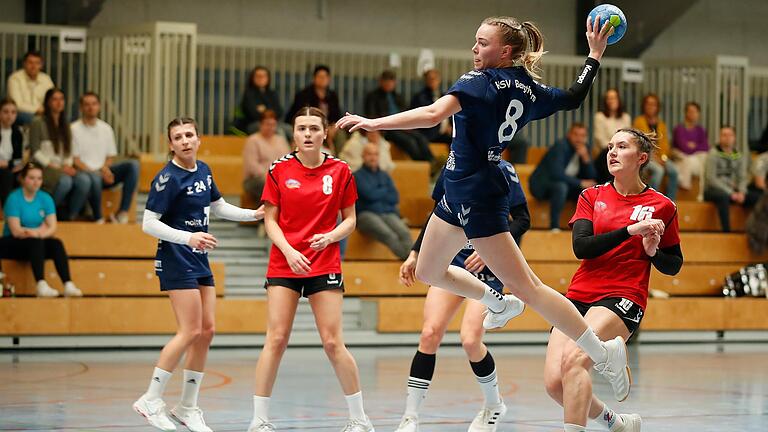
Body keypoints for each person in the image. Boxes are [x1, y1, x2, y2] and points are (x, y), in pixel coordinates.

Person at [338, 15, 633, 405]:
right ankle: (496, 302)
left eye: (482, 43)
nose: (474, 49)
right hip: (456, 192)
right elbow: (574, 96)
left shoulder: (478, 82)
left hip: (479, 197)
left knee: (530, 288)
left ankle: (602, 351)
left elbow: (431, 115)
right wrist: (593, 55)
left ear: (505, 51)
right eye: (475, 41)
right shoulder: (529, 88)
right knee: (429, 270)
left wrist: (372, 122)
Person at [544, 128, 683, 432]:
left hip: (623, 295)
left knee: (575, 361)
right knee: (555, 384)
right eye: (610, 147)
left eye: (622, 146)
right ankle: (616, 423)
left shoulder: (663, 205)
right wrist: (630, 231)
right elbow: (581, 247)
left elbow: (674, 265)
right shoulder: (592, 195)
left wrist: (653, 251)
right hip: (580, 293)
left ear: (641, 158)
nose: (612, 152)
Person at [248, 107, 374, 432]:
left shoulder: (341, 170)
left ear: (324, 133)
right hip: (285, 262)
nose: (307, 133)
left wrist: (330, 236)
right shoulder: (278, 169)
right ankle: (259, 420)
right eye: (301, 128)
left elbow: (351, 220)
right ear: (293, 133)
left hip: (324, 263)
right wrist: (289, 251)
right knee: (275, 339)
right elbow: (270, 219)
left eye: (313, 128)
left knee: (333, 342)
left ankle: (359, 420)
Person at [133, 117, 262, 432]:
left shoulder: (203, 169)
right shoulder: (167, 178)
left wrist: (253, 214)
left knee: (207, 331)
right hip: (176, 256)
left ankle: (187, 406)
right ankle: (150, 399)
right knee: (189, 331)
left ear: (198, 138)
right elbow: (149, 223)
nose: (185, 140)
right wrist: (187, 237)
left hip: (199, 257)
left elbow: (217, 207)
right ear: (171, 144)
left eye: (189, 134)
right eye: (178, 137)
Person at [394, 159, 530, 432]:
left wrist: (492, 247)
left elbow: (523, 219)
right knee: (430, 333)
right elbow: (437, 213)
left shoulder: (503, 170)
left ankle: (494, 405)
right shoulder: (453, 165)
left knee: (470, 340)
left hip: (488, 268)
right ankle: (410, 417)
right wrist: (415, 253)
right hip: (453, 263)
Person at [0, 162, 82, 297]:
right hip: (11, 243)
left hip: (34, 243)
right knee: (36, 242)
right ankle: (41, 284)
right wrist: (39, 231)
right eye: (31, 178)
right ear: (22, 179)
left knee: (56, 244)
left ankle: (68, 284)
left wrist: (35, 233)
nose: (35, 182)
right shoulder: (13, 198)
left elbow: (52, 227)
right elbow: (16, 231)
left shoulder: (46, 198)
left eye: (39, 178)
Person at [71, 91, 140, 223]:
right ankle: (98, 217)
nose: (91, 107)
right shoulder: (73, 129)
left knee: (133, 165)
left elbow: (110, 156)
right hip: (85, 175)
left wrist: (105, 169)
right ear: (81, 108)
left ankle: (122, 213)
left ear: (99, 106)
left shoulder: (106, 128)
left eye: (94, 104)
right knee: (93, 178)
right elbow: (75, 160)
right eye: (87, 104)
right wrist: (97, 172)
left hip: (103, 173)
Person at [28, 88, 89, 220]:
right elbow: (35, 150)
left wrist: (67, 165)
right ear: (48, 102)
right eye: (55, 99)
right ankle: (47, 214)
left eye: (61, 99)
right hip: (44, 166)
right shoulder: (38, 122)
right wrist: (57, 167)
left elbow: (69, 151)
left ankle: (71, 216)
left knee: (84, 181)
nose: (59, 102)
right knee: (65, 181)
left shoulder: (66, 124)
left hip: (62, 167)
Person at [529, 123, 597, 231]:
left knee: (587, 191)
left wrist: (586, 159)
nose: (579, 139)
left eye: (582, 136)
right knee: (561, 187)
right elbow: (556, 174)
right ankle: (554, 227)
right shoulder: (561, 146)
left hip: (565, 185)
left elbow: (592, 177)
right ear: (569, 135)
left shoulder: (585, 148)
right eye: (576, 135)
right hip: (541, 185)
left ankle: (584, 228)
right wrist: (580, 183)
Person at [354, 143, 412, 260]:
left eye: (376, 154)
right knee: (388, 234)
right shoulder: (357, 176)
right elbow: (370, 195)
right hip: (366, 215)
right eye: (369, 154)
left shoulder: (384, 175)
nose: (373, 157)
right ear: (363, 156)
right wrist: (384, 190)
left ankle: (412, 261)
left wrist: (377, 192)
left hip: (387, 213)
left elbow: (394, 197)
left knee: (404, 232)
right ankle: (409, 261)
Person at [365, 70, 435, 165]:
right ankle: (423, 164)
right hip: (386, 128)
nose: (389, 83)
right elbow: (371, 115)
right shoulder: (373, 97)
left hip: (402, 126)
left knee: (420, 138)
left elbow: (406, 112)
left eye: (391, 81)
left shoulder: (397, 96)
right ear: (381, 81)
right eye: (387, 80)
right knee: (410, 142)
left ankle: (432, 163)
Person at [703, 126, 760, 232]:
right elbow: (711, 179)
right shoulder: (713, 154)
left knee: (758, 197)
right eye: (724, 135)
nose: (727, 138)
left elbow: (743, 177)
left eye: (730, 135)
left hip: (736, 191)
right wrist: (730, 193)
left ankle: (754, 230)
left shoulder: (738, 155)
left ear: (734, 138)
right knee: (723, 197)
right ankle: (726, 232)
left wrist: (742, 192)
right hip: (714, 191)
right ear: (720, 137)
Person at [285, 65, 344, 149]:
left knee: (340, 135)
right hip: (308, 124)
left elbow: (337, 115)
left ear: (329, 79)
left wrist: (334, 127)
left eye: (325, 77)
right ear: (314, 78)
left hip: (328, 126)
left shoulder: (332, 95)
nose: (322, 79)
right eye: (320, 77)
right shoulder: (304, 95)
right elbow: (300, 114)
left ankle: (338, 159)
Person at [633, 93, 678, 201]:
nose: (650, 106)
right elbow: (640, 143)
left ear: (657, 107)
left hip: (660, 158)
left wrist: (663, 158)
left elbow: (665, 144)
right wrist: (655, 159)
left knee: (674, 171)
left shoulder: (661, 124)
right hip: (645, 156)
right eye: (648, 104)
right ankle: (651, 199)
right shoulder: (638, 121)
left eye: (653, 104)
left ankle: (670, 201)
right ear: (644, 106)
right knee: (659, 171)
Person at [242, 110, 292, 204]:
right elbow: (252, 166)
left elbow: (288, 161)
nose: (270, 127)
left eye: (273, 124)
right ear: (261, 124)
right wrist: (271, 177)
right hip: (256, 179)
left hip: (279, 178)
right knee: (267, 185)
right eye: (267, 124)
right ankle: (267, 214)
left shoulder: (281, 140)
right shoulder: (253, 140)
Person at [234, 66, 290, 137]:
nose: (261, 78)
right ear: (252, 78)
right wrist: (270, 112)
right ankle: (282, 148)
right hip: (254, 124)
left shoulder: (272, 93)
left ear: (268, 78)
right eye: (258, 76)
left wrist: (264, 110)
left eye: (264, 76)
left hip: (273, 123)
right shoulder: (249, 94)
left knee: (290, 129)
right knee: (278, 131)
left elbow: (279, 112)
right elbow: (253, 114)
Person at [593, 89, 631, 183]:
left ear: (618, 100)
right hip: (605, 152)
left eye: (613, 98)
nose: (611, 101)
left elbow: (628, 138)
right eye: (608, 98)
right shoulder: (600, 116)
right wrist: (617, 148)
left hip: (622, 152)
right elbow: (600, 140)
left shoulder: (626, 117)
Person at [6, 51, 54, 125]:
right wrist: (37, 110)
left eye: (37, 63)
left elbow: (52, 99)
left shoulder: (46, 79)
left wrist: (46, 110)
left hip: (43, 113)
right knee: (39, 121)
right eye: (30, 62)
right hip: (21, 113)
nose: (33, 66)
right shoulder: (15, 78)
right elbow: (17, 104)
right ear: (24, 64)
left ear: (41, 65)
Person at [671, 102, 709, 191]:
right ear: (686, 113)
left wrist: (693, 146)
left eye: (695, 112)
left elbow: (706, 147)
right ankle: (685, 185)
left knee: (705, 156)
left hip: (695, 158)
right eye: (690, 111)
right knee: (687, 159)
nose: (693, 114)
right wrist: (696, 146)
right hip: (681, 156)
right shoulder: (679, 129)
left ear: (698, 114)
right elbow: (683, 147)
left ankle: (703, 189)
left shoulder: (701, 130)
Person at [410, 69, 452, 144]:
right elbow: (429, 114)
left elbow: (450, 113)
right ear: (425, 80)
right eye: (429, 79)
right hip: (429, 132)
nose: (432, 81)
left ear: (439, 80)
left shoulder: (443, 95)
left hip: (444, 132)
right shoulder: (420, 97)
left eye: (434, 78)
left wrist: (449, 126)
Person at [0, 98, 24, 205]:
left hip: (10, 167)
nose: (10, 116)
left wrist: (9, 164)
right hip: (5, 170)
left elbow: (19, 160)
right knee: (7, 176)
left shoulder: (17, 133)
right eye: (6, 112)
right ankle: (8, 212)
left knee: (29, 173)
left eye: (13, 112)